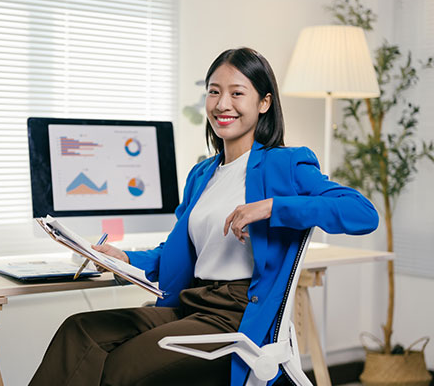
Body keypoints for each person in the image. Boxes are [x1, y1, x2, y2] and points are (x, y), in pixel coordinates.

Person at [29, 48, 379, 386]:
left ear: (264, 103)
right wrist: (125, 258)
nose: (222, 104)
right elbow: (176, 252)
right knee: (80, 331)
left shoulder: (285, 164)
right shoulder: (202, 173)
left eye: (237, 93)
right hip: (191, 303)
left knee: (121, 366)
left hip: (235, 313)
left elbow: (362, 213)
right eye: (214, 92)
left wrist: (272, 206)